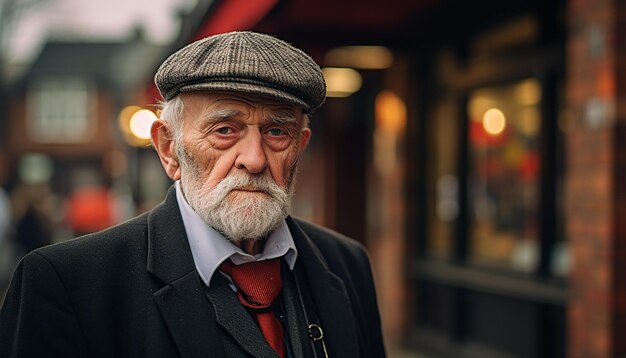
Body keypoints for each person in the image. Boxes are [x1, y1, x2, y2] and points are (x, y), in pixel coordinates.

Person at [0, 31, 385, 358]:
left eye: (276, 132)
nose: (253, 159)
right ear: (169, 148)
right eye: (224, 130)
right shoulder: (66, 283)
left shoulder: (346, 264)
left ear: (299, 147)